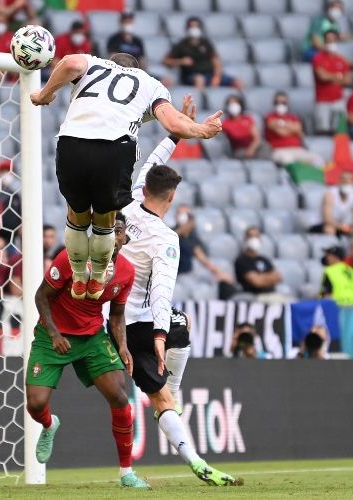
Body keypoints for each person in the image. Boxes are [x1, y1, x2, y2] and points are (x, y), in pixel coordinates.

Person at [29, 53, 223, 301]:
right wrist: (201, 130)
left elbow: (70, 64)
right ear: (137, 68)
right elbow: (173, 123)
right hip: (114, 149)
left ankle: (79, 275)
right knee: (104, 220)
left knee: (75, 214)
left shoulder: (94, 64)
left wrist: (44, 93)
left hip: (72, 143)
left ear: (110, 62)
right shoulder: (149, 83)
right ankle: (97, 276)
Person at [120, 121, 236, 485]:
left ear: (148, 187)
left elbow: (152, 161)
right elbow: (162, 292)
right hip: (137, 322)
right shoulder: (166, 239)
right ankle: (193, 453)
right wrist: (159, 333)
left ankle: (183, 425)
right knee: (177, 331)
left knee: (179, 325)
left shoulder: (130, 200)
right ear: (171, 198)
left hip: (109, 311)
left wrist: (176, 134)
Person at [26, 214, 149, 488]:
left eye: (117, 231)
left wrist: (123, 346)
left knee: (119, 396)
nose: (112, 236)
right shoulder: (71, 259)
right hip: (52, 336)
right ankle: (48, 425)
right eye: (107, 231)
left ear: (123, 238)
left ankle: (126, 473)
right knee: (35, 404)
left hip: (92, 337)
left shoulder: (127, 272)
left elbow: (116, 315)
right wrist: (54, 332)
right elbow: (41, 295)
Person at [162, 17, 242, 90]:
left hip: (210, 74)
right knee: (200, 79)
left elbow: (216, 60)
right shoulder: (181, 45)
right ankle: (201, 102)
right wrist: (181, 61)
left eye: (196, 27)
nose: (194, 29)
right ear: (187, 29)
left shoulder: (205, 43)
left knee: (238, 82)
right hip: (191, 76)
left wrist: (217, 77)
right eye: (191, 27)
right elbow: (165, 61)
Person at [264, 91, 326, 168]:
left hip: (297, 149)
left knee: (318, 160)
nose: (280, 105)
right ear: (273, 103)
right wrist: (292, 129)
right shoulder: (270, 117)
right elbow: (281, 132)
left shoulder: (293, 117)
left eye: (283, 102)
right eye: (277, 102)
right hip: (280, 150)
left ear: (288, 103)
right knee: (288, 160)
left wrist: (281, 124)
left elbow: (298, 129)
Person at [174, 205, 232, 282]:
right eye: (180, 214)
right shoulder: (170, 234)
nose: (183, 218)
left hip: (187, 274)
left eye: (188, 216)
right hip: (175, 276)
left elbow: (201, 257)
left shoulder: (191, 237)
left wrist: (219, 272)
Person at [312, 30, 352, 134]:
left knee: (340, 131)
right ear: (325, 41)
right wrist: (339, 77)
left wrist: (331, 77)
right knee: (323, 131)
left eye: (333, 39)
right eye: (328, 40)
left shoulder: (342, 60)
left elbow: (348, 80)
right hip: (323, 101)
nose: (331, 42)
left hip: (338, 101)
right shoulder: (318, 58)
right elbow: (322, 76)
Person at [309, 171, 353, 237]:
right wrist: (346, 228)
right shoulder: (330, 194)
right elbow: (327, 219)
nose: (346, 182)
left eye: (349, 180)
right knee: (329, 229)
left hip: (341, 225)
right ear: (339, 181)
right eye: (344, 180)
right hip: (321, 224)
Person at [234, 226, 283, 299]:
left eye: (257, 236)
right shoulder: (242, 260)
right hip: (255, 296)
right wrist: (269, 278)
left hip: (272, 294)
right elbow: (256, 282)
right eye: (251, 236)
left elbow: (278, 277)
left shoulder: (264, 259)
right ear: (246, 238)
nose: (254, 239)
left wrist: (260, 277)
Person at [221, 94, 270, 159]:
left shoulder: (248, 119)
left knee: (265, 147)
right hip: (240, 149)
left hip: (254, 146)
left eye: (236, 103)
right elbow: (216, 133)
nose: (233, 106)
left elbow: (257, 138)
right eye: (231, 104)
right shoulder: (226, 122)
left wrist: (252, 149)